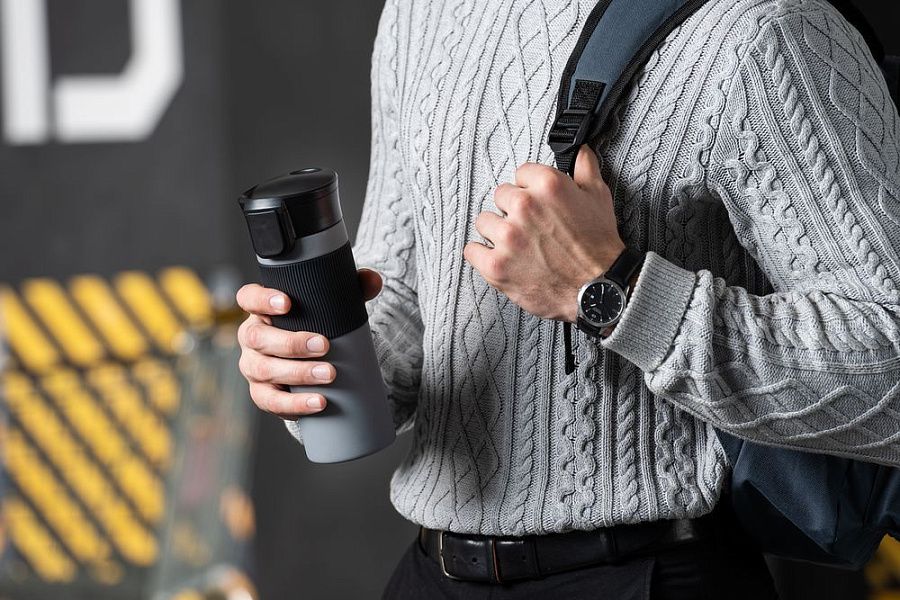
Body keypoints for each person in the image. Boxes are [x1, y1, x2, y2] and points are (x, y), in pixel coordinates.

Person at [235, 0, 900, 597]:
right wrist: (324, 363)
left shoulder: (766, 28)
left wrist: (613, 291)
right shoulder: (419, 12)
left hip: (648, 574)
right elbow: (405, 287)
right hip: (430, 571)